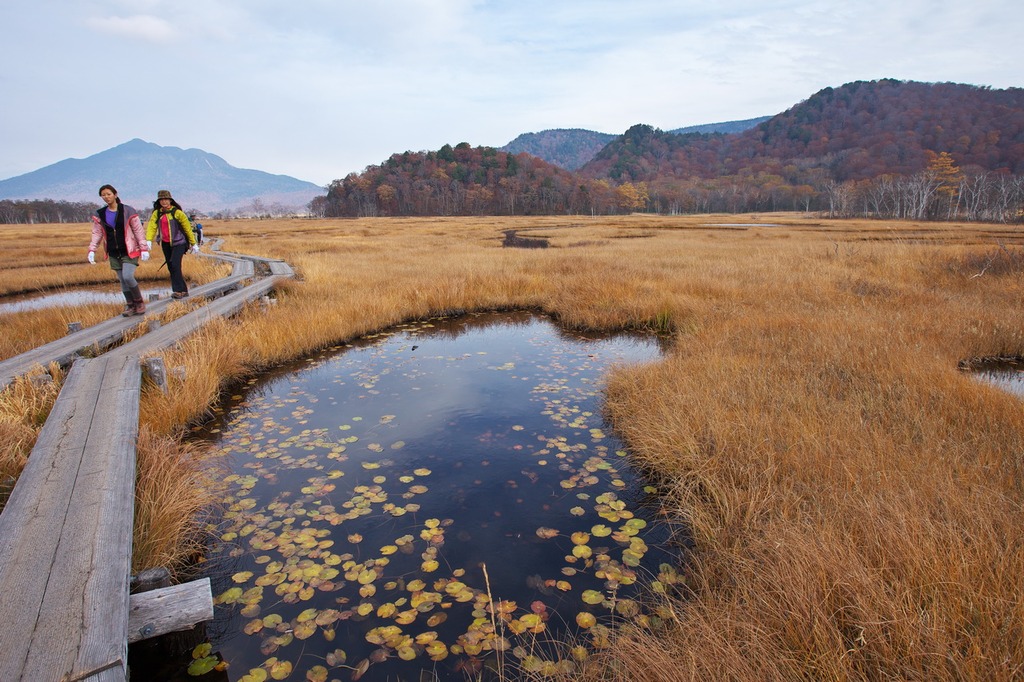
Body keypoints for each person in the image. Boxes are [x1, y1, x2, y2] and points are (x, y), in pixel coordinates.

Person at [88, 184, 151, 316]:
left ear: (115, 195)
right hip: (113, 251)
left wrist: (143, 248)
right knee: (122, 279)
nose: (106, 197)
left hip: (129, 249)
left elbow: (138, 230)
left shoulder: (128, 211)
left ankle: (139, 302)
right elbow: (97, 233)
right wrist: (92, 250)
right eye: (103, 195)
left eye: (108, 194)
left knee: (128, 276)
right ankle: (130, 305)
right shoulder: (100, 214)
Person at [145, 189, 199, 299]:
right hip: (165, 243)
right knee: (170, 266)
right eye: (161, 200)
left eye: (166, 199)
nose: (164, 202)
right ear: (159, 201)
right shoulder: (157, 213)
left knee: (175, 264)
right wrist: (148, 240)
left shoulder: (178, 213)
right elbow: (152, 226)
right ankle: (183, 290)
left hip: (179, 243)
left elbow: (187, 229)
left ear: (170, 200)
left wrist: (194, 243)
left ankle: (179, 290)